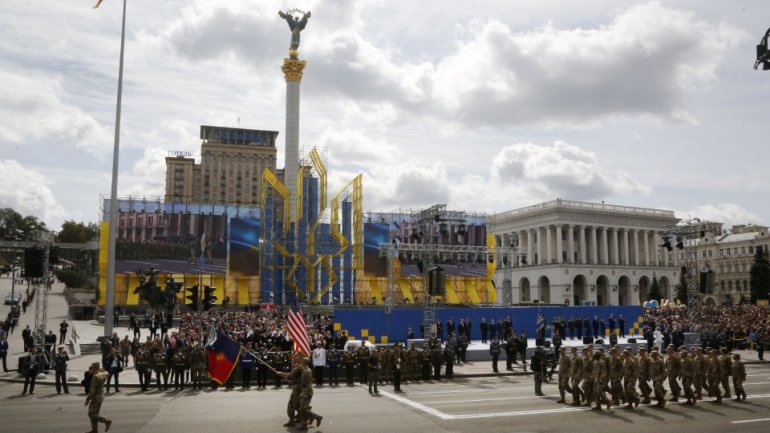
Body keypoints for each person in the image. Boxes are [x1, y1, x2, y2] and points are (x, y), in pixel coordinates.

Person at [84, 362, 112, 433]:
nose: (91, 370)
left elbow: (92, 390)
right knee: (94, 413)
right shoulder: (103, 374)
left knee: (91, 414)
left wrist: (87, 399)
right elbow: (107, 372)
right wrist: (101, 370)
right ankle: (94, 430)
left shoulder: (95, 377)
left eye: (92, 368)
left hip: (95, 398)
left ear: (94, 368)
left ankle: (106, 421)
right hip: (101, 396)